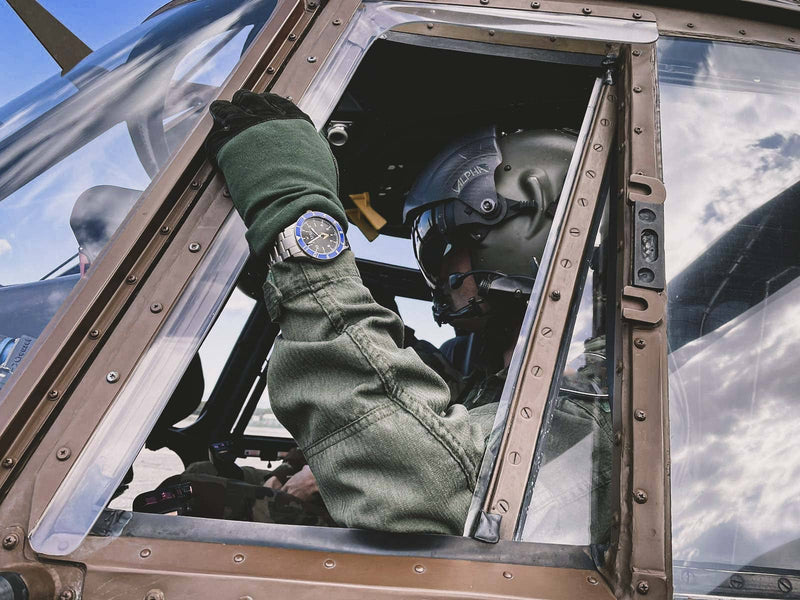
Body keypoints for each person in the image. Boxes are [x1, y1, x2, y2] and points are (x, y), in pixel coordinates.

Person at [176, 90, 611, 537]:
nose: (437, 272)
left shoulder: (601, 390)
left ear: (522, 228)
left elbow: (429, 489)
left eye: (445, 243)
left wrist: (298, 236)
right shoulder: (495, 370)